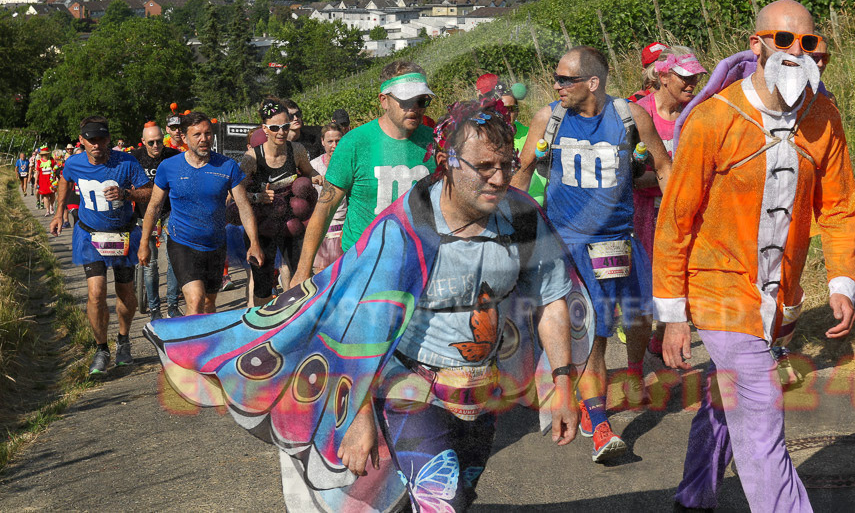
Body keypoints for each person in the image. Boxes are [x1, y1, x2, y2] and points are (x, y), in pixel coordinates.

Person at [144, 99, 594, 512]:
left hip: (479, 392)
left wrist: (562, 385)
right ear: (445, 164)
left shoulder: (521, 216)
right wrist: (357, 416)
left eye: (506, 164)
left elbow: (553, 298)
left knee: (463, 493)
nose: (499, 178)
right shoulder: (401, 230)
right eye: (483, 167)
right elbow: (360, 324)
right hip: (409, 387)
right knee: (445, 500)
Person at [655, 0, 855, 513]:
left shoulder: (823, 117)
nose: (797, 52)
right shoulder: (713, 118)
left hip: (777, 295)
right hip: (717, 285)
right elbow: (675, 221)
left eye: (809, 42)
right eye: (785, 40)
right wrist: (674, 316)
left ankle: (694, 493)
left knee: (733, 400)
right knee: (761, 403)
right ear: (757, 44)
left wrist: (841, 282)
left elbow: (837, 207)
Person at [512, 45, 672, 463]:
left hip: (621, 242)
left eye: (566, 79)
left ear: (592, 82)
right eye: (557, 78)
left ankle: (627, 378)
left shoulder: (629, 117)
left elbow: (666, 168)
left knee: (638, 319)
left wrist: (679, 220)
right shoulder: (549, 119)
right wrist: (506, 227)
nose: (557, 85)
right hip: (569, 247)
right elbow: (523, 174)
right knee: (596, 336)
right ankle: (600, 424)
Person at [290, 60, 436, 285]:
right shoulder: (355, 143)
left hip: (421, 265)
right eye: (406, 100)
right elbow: (325, 207)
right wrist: (303, 270)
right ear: (384, 100)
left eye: (421, 100)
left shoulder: (436, 143)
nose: (414, 107)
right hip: (365, 267)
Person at [50, 116, 152, 375]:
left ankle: (124, 340)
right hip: (89, 235)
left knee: (125, 291)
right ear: (82, 141)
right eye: (91, 140)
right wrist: (59, 211)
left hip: (123, 234)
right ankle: (101, 348)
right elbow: (65, 179)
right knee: (96, 293)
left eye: (102, 139)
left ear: (108, 138)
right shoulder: (74, 162)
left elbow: (149, 190)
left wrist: (126, 194)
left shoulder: (126, 162)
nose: (97, 145)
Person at [139, 113, 263, 316]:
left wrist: (254, 243)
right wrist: (145, 243)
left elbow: (243, 206)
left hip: (215, 244)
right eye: (197, 134)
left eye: (207, 134)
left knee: (208, 303)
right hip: (183, 243)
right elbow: (154, 206)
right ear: (185, 138)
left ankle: (207, 345)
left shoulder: (227, 166)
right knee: (195, 300)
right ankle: (190, 348)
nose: (203, 139)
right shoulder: (169, 167)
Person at [632, 47, 707, 357]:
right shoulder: (637, 113)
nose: (692, 84)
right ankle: (644, 344)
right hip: (643, 210)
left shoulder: (698, 112)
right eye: (685, 78)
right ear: (662, 77)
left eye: (696, 78)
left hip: (684, 207)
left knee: (683, 274)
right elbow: (629, 175)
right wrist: (664, 178)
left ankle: (664, 334)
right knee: (649, 279)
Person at [240, 98, 322, 306]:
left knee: (301, 276)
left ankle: (297, 324)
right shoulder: (251, 158)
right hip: (262, 225)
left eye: (285, 127)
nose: (281, 132)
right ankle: (261, 328)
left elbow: (309, 171)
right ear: (265, 129)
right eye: (275, 128)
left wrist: (314, 177)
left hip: (291, 222)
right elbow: (235, 195)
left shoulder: (297, 150)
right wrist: (258, 197)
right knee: (263, 283)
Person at [131, 122, 182, 319]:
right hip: (144, 217)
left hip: (170, 214)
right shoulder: (135, 158)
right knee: (150, 265)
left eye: (159, 141)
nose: (155, 146)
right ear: (143, 141)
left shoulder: (173, 156)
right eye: (150, 142)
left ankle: (172, 305)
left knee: (173, 261)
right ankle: (154, 310)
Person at [476, 73, 547, 205]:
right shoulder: (483, 138)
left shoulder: (532, 134)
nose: (508, 113)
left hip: (535, 202)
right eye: (503, 108)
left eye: (512, 108)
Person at [310, 122, 348, 272]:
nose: (334, 145)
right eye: (330, 141)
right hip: (322, 228)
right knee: (321, 275)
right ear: (322, 142)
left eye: (338, 141)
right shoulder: (313, 166)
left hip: (344, 228)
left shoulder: (350, 163)